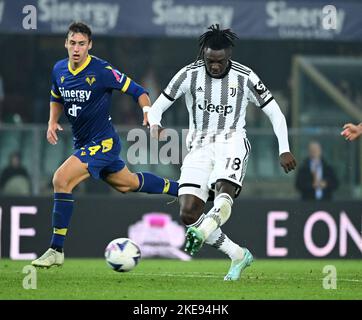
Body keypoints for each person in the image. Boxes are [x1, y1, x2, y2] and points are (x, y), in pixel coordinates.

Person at [147, 24, 297, 280]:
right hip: (199, 146)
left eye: (220, 61)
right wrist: (155, 124)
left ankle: (202, 233)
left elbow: (274, 112)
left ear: (229, 56)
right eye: (209, 61)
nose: (214, 66)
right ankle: (238, 254)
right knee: (187, 213)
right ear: (203, 55)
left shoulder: (245, 76)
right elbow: (158, 105)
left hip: (232, 141)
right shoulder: (188, 74)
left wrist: (284, 148)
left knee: (223, 195)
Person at [31, 22, 178, 268]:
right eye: (72, 43)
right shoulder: (59, 69)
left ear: (90, 46)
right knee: (128, 183)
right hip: (83, 143)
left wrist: (147, 111)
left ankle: (56, 249)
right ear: (66, 43)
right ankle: (183, 189)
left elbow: (138, 90)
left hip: (104, 143)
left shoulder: (101, 70)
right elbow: (56, 96)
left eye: (81, 44)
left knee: (60, 179)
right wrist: (52, 121)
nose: (76, 48)